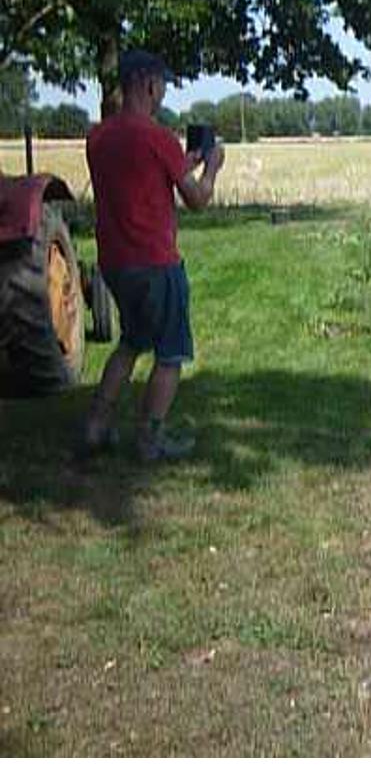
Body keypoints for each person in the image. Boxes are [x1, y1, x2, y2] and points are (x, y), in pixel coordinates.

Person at [79, 50, 225, 461]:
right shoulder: (157, 137)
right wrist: (211, 168)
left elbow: (138, 178)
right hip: (156, 262)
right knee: (170, 353)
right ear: (147, 83)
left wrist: (184, 162)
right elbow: (196, 200)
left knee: (130, 343)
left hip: (115, 262)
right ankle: (150, 439)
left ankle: (96, 427)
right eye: (162, 84)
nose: (163, 92)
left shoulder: (98, 137)